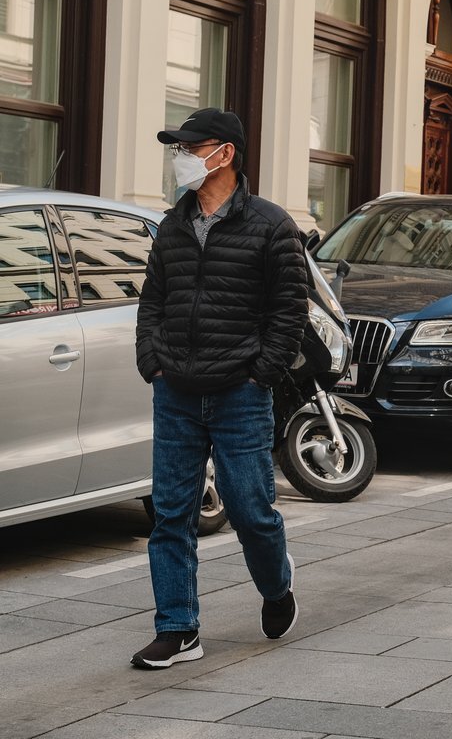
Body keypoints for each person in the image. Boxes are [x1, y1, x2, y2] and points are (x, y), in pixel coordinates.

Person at [132, 108, 308, 669]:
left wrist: (261, 372)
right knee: (170, 512)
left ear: (224, 153)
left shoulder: (272, 225)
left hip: (239, 392)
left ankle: (277, 586)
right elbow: (152, 301)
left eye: (190, 147)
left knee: (251, 509)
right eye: (178, 149)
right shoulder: (173, 224)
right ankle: (178, 629)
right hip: (176, 390)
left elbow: (289, 312)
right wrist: (152, 360)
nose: (180, 157)